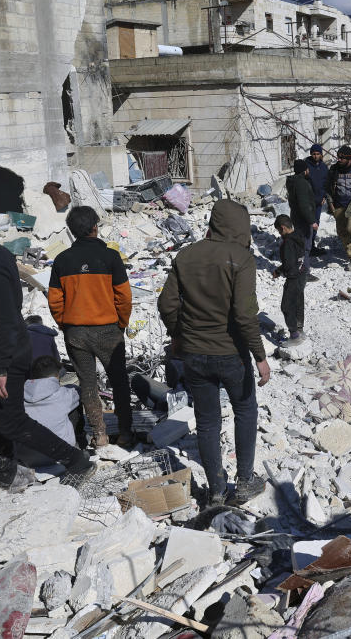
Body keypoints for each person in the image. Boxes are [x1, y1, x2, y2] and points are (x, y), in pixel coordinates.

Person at [0, 214, 95, 490]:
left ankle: (77, 462)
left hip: (2, 358)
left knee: (12, 422)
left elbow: (5, 320)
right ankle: (8, 471)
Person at [158, 200, 270, 507]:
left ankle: (216, 491)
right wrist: (260, 356)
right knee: (245, 410)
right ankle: (245, 482)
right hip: (231, 353)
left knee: (207, 422)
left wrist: (179, 336)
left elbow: (166, 305)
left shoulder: (186, 255)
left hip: (194, 354)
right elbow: (245, 314)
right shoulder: (242, 258)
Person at [48, 205, 134, 448]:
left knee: (87, 384)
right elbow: (124, 297)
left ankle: (100, 435)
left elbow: (55, 300)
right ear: (95, 227)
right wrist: (121, 323)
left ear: (72, 231)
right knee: (118, 381)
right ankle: (126, 433)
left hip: (76, 333)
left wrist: (65, 324)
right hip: (108, 330)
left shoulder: (62, 260)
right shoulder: (110, 257)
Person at [18, 355, 83, 468]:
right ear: (57, 375)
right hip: (58, 454)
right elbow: (79, 391)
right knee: (74, 406)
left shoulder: (17, 395)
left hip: (23, 456)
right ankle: (79, 440)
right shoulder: (63, 394)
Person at [273, 215, 307, 347]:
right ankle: (300, 330)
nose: (280, 234)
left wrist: (279, 271)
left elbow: (288, 264)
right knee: (298, 302)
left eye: (279, 231)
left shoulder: (287, 243)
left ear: (283, 228)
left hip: (293, 277)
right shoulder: (299, 235)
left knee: (286, 306)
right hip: (302, 274)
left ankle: (294, 336)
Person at [285, 159, 319, 264]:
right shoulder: (301, 183)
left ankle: (300, 268)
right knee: (305, 246)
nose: (308, 170)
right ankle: (304, 271)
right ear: (304, 170)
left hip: (296, 217)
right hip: (303, 219)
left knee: (300, 244)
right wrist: (312, 221)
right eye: (307, 168)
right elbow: (304, 205)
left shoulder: (293, 181)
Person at [305, 144, 330, 255]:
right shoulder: (306, 166)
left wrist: (324, 196)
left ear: (321, 154)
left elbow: (326, 183)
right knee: (308, 224)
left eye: (318, 154)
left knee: (316, 223)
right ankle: (306, 246)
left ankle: (311, 245)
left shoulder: (323, 167)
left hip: (319, 202)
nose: (315, 156)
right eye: (314, 154)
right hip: (309, 201)